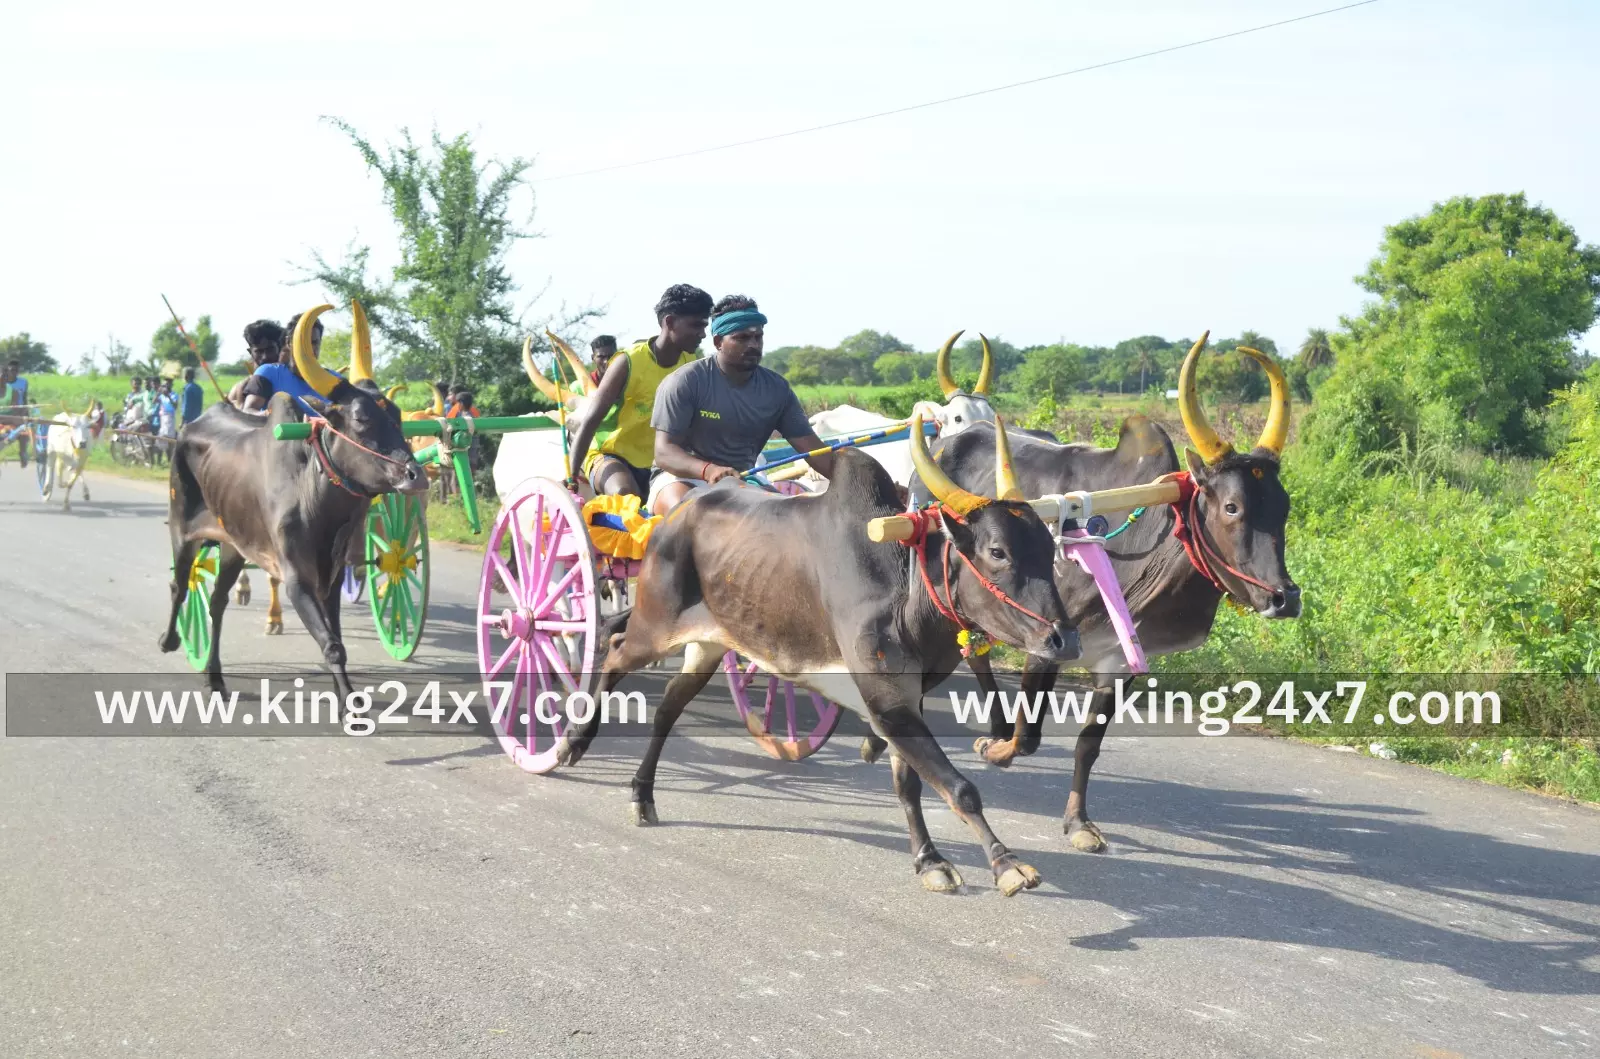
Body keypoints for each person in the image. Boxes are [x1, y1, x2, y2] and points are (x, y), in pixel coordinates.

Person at [647, 295, 833, 516]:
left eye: (758, 337)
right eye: (742, 338)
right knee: (689, 516)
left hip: (743, 481)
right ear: (718, 342)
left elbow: (813, 450)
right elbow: (664, 453)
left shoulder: (777, 389)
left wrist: (854, 478)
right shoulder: (685, 382)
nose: (753, 345)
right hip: (682, 479)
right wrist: (709, 470)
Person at [564, 284, 713, 501]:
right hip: (611, 454)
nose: (702, 334)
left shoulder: (690, 364)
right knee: (626, 496)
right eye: (696, 326)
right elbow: (590, 420)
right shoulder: (627, 362)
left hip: (658, 461)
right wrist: (571, 477)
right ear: (669, 322)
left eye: (704, 326)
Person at [241, 313, 337, 416]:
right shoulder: (268, 373)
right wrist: (273, 414)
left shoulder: (336, 380)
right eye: (302, 341)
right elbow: (248, 411)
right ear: (288, 342)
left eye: (314, 342)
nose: (310, 348)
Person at [227, 320, 287, 406]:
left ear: (280, 347)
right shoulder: (240, 389)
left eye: (270, 349)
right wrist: (239, 404)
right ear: (250, 352)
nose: (265, 357)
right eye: (259, 351)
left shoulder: (293, 379)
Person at [3, 360, 29, 467]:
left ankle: (22, 452)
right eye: (11, 370)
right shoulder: (3, 383)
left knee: (24, 430)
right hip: (4, 412)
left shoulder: (23, 382)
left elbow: (24, 398)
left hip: (18, 412)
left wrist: (27, 413)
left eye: (16, 370)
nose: (13, 373)